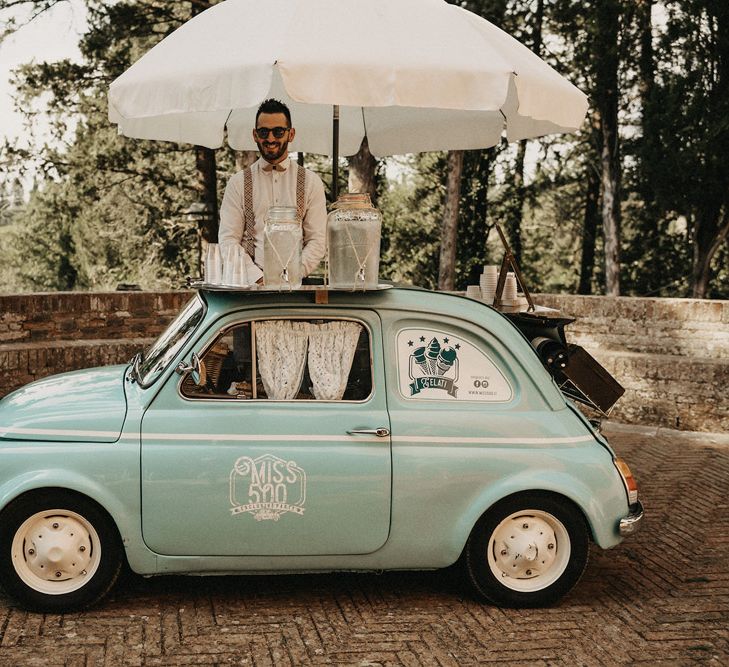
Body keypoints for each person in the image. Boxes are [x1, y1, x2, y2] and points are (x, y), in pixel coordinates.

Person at [218, 98, 327, 284]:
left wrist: (294, 274)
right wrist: (258, 278)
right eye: (263, 132)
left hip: (296, 287)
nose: (270, 139)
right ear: (255, 135)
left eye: (278, 132)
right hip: (250, 287)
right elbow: (228, 240)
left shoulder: (311, 182)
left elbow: (317, 240)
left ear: (290, 134)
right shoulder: (238, 183)